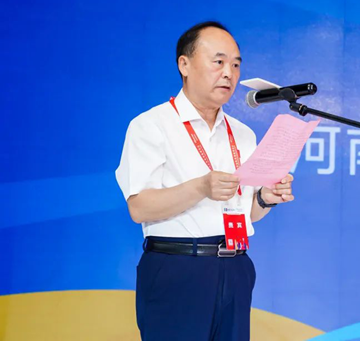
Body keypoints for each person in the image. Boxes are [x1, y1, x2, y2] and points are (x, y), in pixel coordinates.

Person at [115, 21, 294, 341]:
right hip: (178, 267)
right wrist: (201, 187)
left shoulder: (243, 133)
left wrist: (265, 198)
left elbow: (248, 214)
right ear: (184, 65)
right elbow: (139, 208)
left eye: (236, 65)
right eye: (218, 61)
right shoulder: (151, 125)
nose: (229, 73)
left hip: (236, 266)